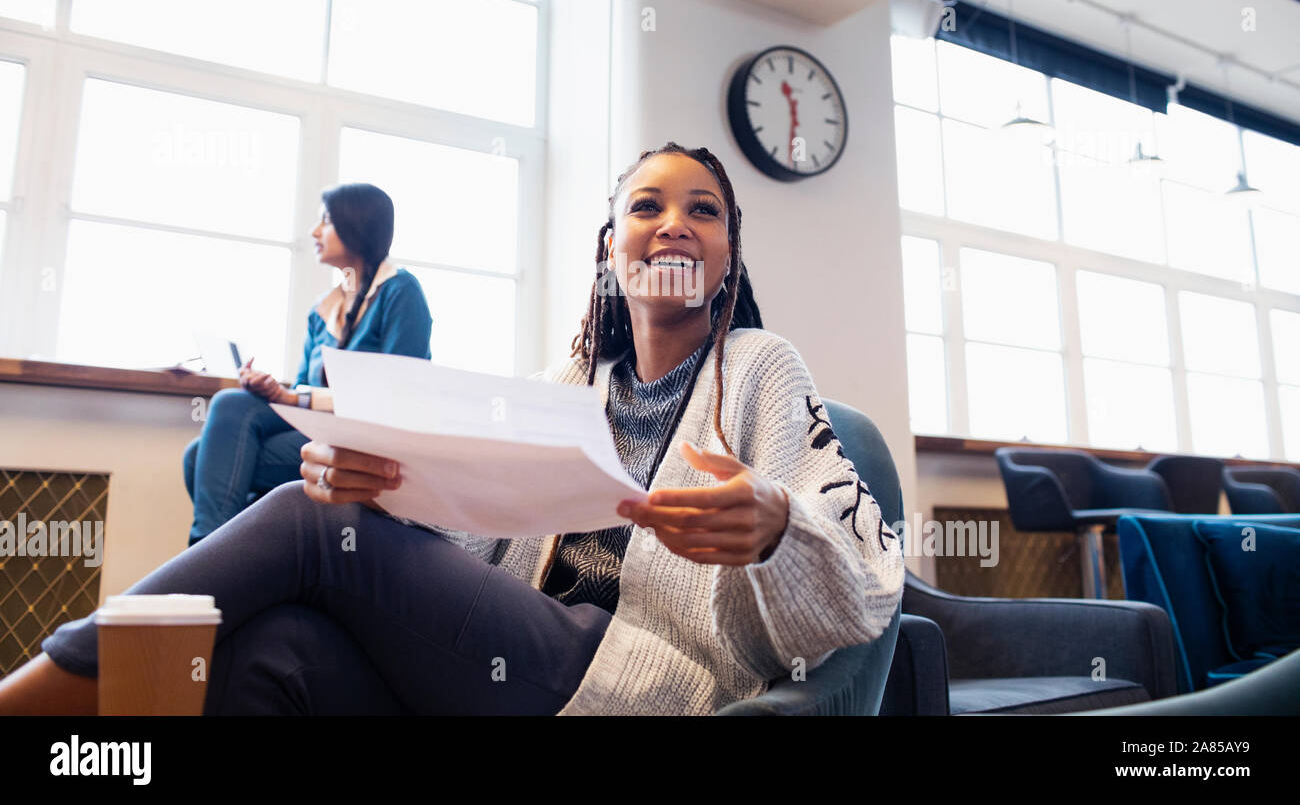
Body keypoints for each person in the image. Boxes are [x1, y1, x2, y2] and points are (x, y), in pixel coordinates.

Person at [0, 142, 904, 716]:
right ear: (609, 250)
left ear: (729, 252)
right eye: (646, 207)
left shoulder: (762, 367)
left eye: (703, 210)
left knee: (304, 522)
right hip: (510, 659)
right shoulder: (565, 386)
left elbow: (869, 577)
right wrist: (382, 485)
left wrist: (778, 525)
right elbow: (470, 534)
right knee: (273, 660)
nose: (673, 224)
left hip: (635, 679)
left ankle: (39, 700)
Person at [182, 182, 432, 545]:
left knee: (207, 447)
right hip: (318, 427)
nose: (315, 232)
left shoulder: (400, 291)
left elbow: (396, 393)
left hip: (364, 439)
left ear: (356, 224)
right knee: (214, 432)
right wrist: (275, 391)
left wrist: (294, 399)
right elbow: (302, 389)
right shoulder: (324, 310)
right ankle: (230, 559)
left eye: (326, 221)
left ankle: (205, 559)